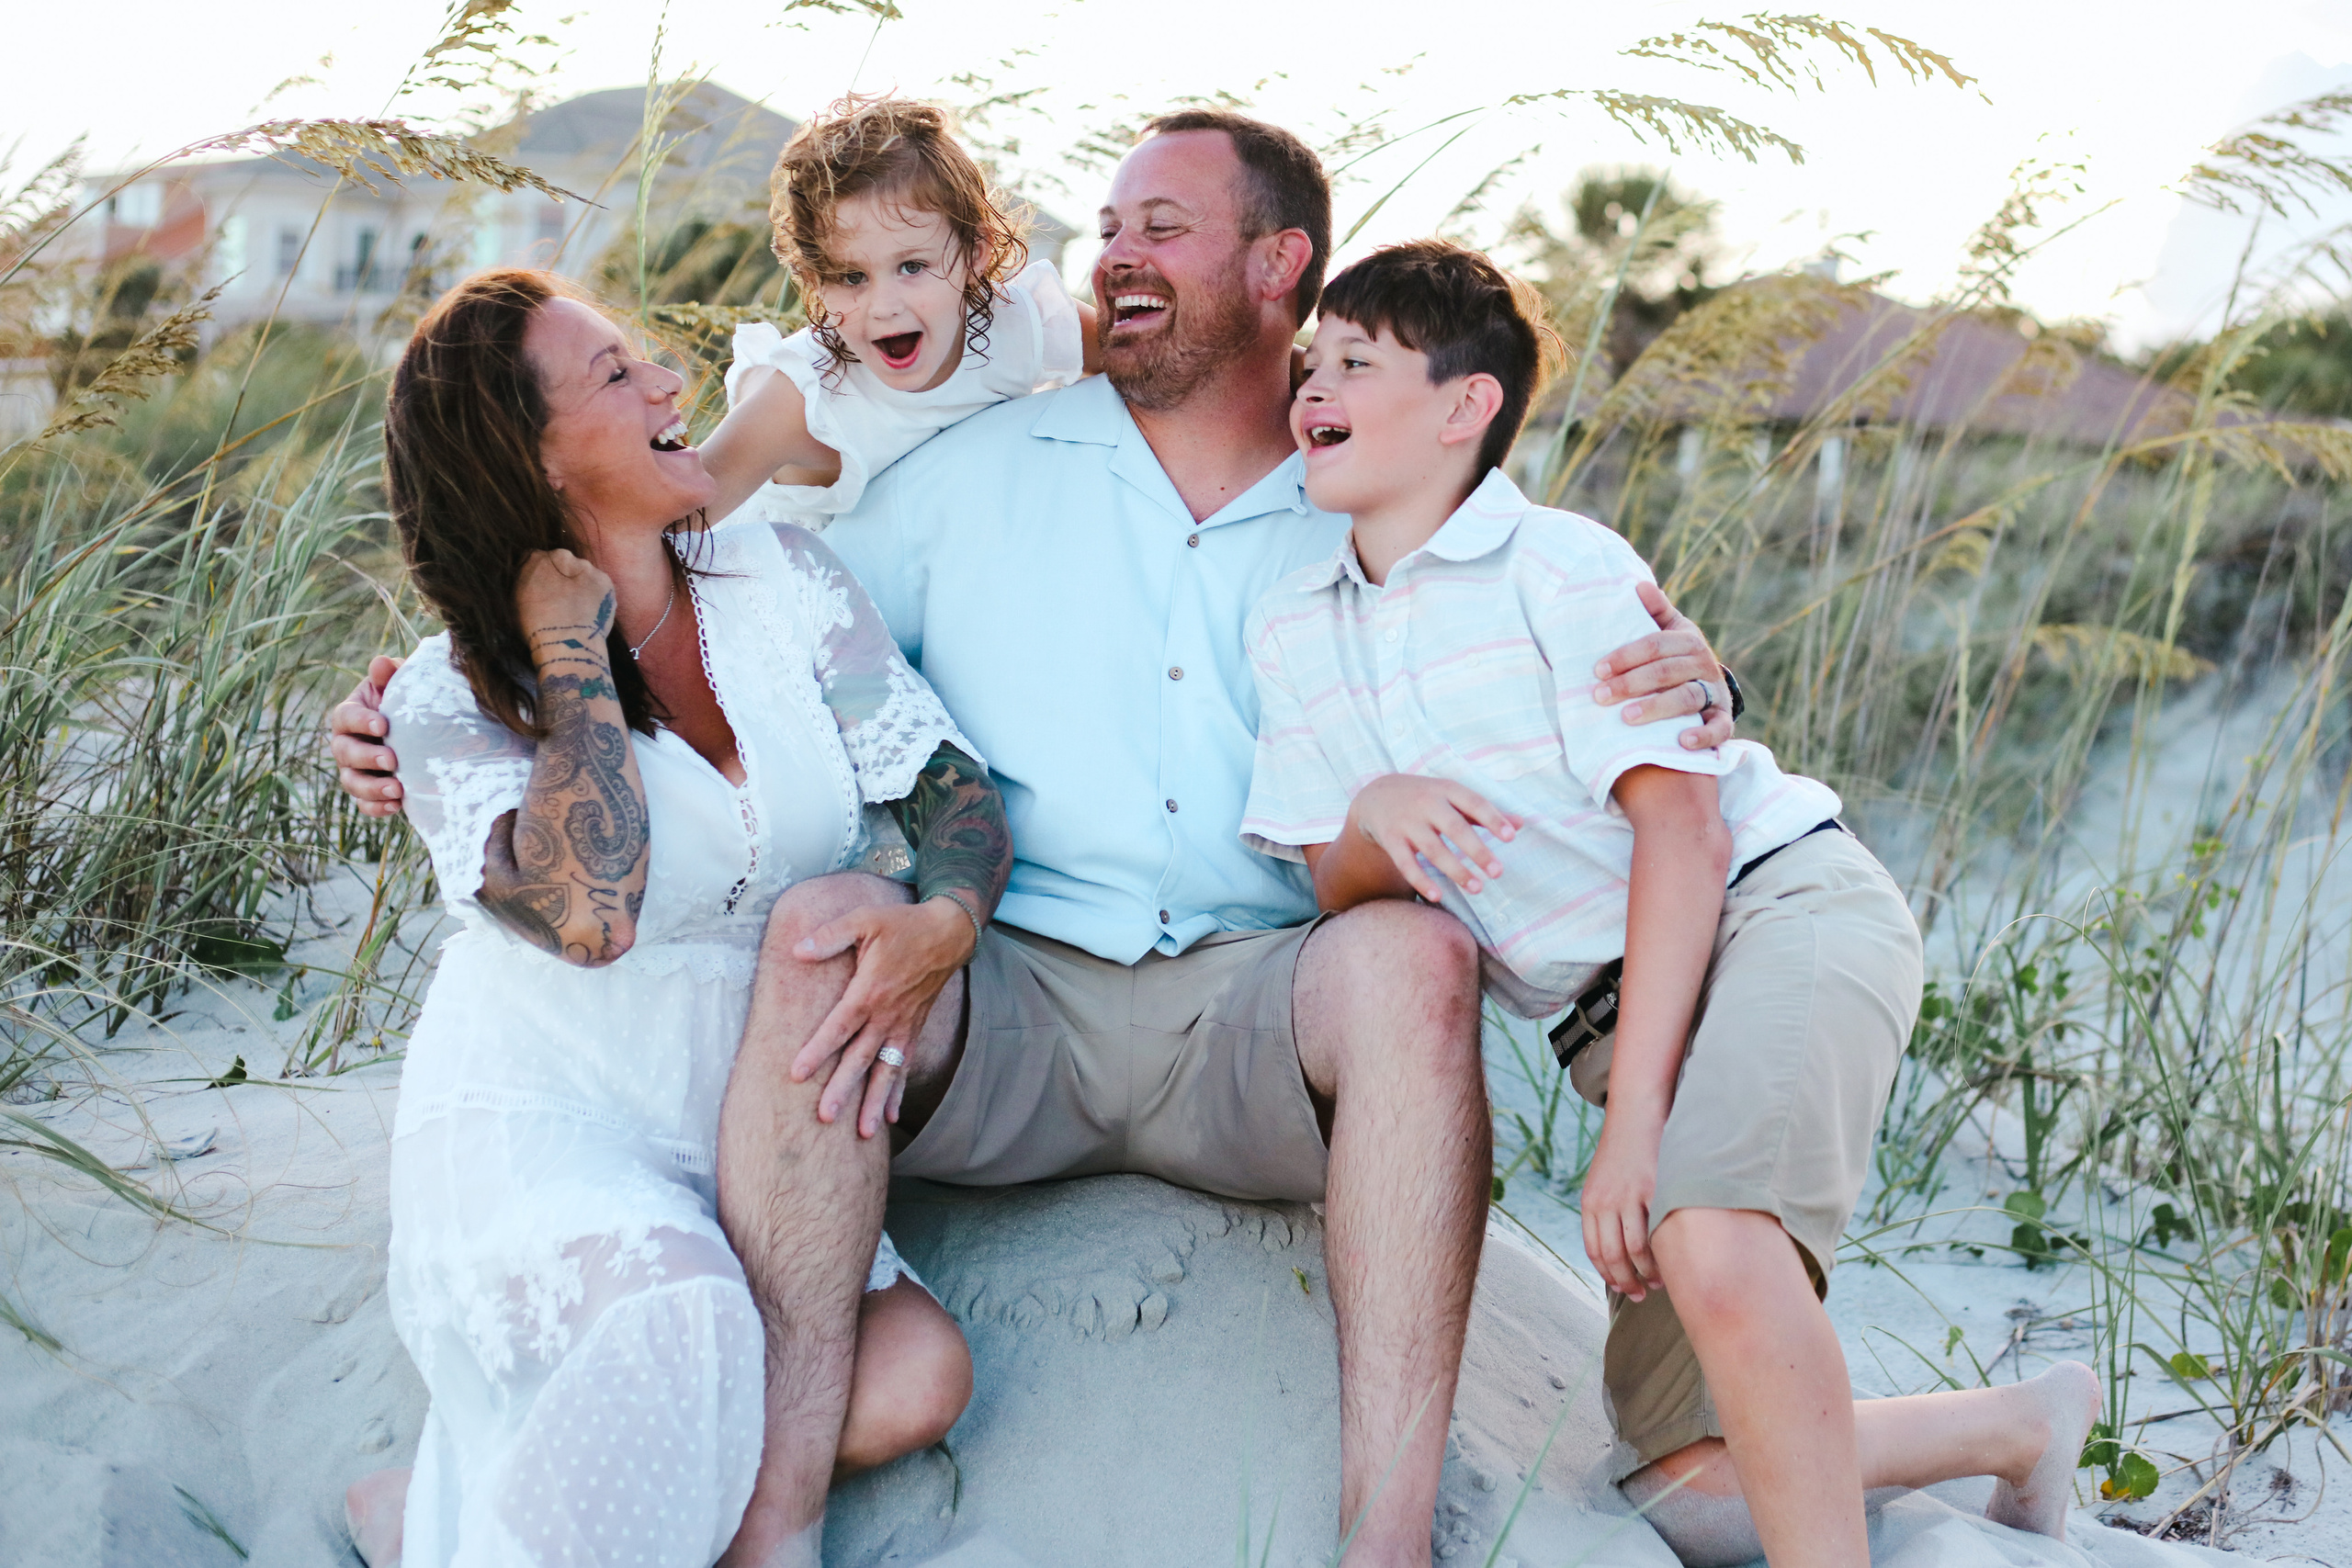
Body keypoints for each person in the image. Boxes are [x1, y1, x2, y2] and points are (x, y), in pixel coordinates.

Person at [331, 112, 1735, 1568]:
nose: (1115, 255)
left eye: (1161, 229)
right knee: (824, 928)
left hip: (1257, 1000)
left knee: (1416, 959)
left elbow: (1553, 661)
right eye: (1109, 225)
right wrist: (413, 684)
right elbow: (658, 601)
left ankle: (1389, 1542)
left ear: (1280, 263)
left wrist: (1696, 677)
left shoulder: (1372, 499)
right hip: (1004, 1005)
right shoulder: (960, 478)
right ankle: (773, 1527)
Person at [1238, 238, 2104, 1568]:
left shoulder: (1558, 566)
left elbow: (1686, 830)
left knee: (1706, 1233)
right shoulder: (1296, 619)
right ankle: (2017, 1426)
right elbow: (1326, 878)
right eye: (1312, 363)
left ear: (1466, 408)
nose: (1315, 385)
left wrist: (1633, 1126)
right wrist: (1373, 817)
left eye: (1358, 360)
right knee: (1686, 1486)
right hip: (1612, 1016)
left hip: (1774, 908)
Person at [356, 268, 1006, 1568]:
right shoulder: (446, 695)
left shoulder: (786, 577)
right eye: (616, 375)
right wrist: (570, 650)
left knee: (912, 1378)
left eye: (646, 359)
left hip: (754, 1134)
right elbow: (589, 918)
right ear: (529, 460)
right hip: (548, 1117)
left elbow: (949, 786)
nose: (670, 385)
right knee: (678, 1315)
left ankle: (439, 1503)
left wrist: (947, 911)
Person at [695, 94, 1100, 531]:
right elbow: (674, 522)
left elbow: (1147, 373)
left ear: (975, 254)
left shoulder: (1024, 323)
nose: (884, 307)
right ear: (815, 282)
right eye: (851, 277)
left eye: (912, 267)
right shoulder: (801, 401)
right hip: (799, 581)